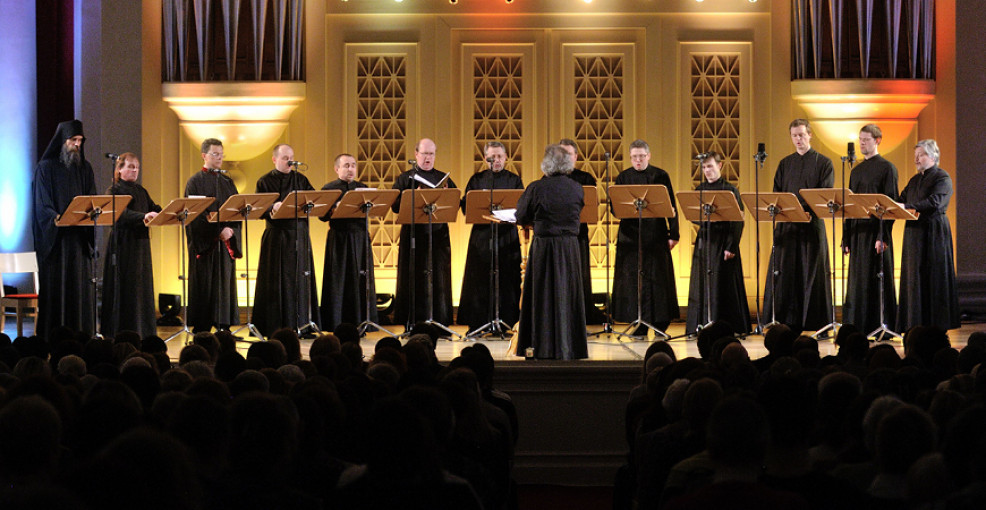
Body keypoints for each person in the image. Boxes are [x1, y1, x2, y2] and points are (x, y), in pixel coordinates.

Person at [514, 144, 588, 360]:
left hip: (545, 247)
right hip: (569, 248)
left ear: (546, 165)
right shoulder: (577, 188)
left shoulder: (536, 188)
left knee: (542, 295)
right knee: (568, 295)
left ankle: (542, 346)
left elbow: (521, 215)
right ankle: (570, 347)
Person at [762, 119, 833, 333]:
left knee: (811, 273)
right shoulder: (785, 163)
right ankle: (785, 321)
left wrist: (802, 209)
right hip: (788, 228)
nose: (798, 139)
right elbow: (777, 193)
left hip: (811, 227)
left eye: (802, 135)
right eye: (794, 135)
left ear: (810, 135)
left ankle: (815, 323)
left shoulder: (824, 163)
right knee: (785, 275)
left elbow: (824, 194)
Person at [31, 119, 97, 340]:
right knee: (57, 290)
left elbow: (92, 200)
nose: (77, 145)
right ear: (62, 141)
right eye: (73, 140)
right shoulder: (45, 168)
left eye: (79, 141)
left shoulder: (85, 168)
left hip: (78, 242)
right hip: (57, 243)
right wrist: (55, 218)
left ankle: (81, 336)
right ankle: (54, 337)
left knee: (79, 290)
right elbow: (42, 204)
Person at [610, 139, 681, 335]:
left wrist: (673, 233)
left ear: (648, 156)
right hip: (631, 237)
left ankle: (660, 324)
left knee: (657, 280)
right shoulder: (623, 177)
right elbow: (615, 207)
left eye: (641, 156)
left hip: (655, 235)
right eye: (634, 157)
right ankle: (639, 324)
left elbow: (671, 206)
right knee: (634, 281)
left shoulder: (660, 175)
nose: (638, 160)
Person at [456, 141, 524, 335]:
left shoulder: (514, 180)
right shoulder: (477, 180)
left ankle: (508, 322)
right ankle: (479, 323)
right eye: (493, 157)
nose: (497, 160)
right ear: (486, 159)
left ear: (506, 158)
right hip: (482, 237)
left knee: (508, 278)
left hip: (506, 237)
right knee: (480, 280)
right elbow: (466, 207)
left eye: (500, 156)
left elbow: (522, 206)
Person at [251, 144, 319, 337]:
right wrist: (274, 206)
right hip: (277, 237)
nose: (289, 161)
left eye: (291, 157)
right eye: (284, 157)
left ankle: (302, 325)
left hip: (299, 234)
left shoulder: (300, 178)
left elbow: (314, 200)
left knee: (300, 278)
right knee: (277, 281)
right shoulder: (264, 181)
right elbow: (258, 208)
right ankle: (275, 327)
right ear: (274, 159)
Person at [391, 138, 457, 328]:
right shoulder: (405, 178)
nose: (428, 157)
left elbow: (455, 203)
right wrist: (413, 196)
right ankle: (412, 321)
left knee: (438, 276)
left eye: (431, 153)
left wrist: (445, 195)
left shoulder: (443, 178)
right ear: (416, 154)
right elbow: (395, 206)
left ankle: (440, 320)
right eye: (425, 153)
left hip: (438, 235)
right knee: (414, 276)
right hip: (413, 234)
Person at [896, 139, 960, 331]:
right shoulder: (914, 180)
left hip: (934, 232)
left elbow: (935, 202)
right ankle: (915, 323)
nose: (916, 159)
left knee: (933, 276)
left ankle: (935, 325)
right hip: (913, 234)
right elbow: (900, 200)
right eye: (915, 155)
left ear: (932, 156)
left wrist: (907, 206)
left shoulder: (942, 177)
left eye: (921, 155)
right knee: (914, 277)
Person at [842, 124, 900, 333]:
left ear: (877, 140)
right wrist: (846, 238)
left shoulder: (887, 168)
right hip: (858, 233)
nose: (862, 143)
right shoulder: (856, 170)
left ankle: (880, 326)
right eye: (860, 139)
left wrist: (882, 236)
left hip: (877, 234)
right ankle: (858, 327)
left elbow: (891, 205)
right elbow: (849, 206)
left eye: (866, 139)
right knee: (858, 282)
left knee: (877, 279)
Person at [685, 151, 749, 335]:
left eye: (710, 166)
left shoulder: (730, 190)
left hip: (724, 242)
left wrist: (731, 245)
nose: (707, 170)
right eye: (704, 167)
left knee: (723, 284)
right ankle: (701, 324)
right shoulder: (700, 190)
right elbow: (693, 217)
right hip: (705, 241)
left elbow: (738, 220)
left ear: (720, 166)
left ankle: (725, 327)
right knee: (702, 283)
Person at [100, 153, 162, 339]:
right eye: (130, 167)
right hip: (123, 244)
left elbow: (153, 207)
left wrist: (166, 213)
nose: (135, 170)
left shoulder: (141, 190)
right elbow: (120, 214)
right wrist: (142, 217)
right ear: (119, 169)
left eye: (137, 167)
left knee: (141, 287)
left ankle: (142, 331)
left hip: (141, 245)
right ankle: (121, 331)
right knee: (125, 288)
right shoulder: (113, 190)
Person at [184, 138, 241, 333]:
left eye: (221, 154)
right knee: (205, 286)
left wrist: (231, 230)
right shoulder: (195, 182)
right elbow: (194, 215)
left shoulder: (226, 181)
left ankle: (224, 326)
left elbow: (236, 208)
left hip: (225, 244)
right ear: (204, 155)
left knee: (224, 285)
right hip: (205, 246)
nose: (219, 158)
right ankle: (202, 329)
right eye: (215, 154)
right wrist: (217, 233)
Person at [320, 153, 379, 330]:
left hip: (360, 236)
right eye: (346, 165)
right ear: (337, 169)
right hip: (339, 237)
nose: (351, 169)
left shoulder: (362, 188)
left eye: (353, 165)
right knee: (337, 280)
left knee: (360, 278)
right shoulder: (329, 188)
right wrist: (333, 208)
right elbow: (321, 216)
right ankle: (335, 322)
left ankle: (362, 321)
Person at [558, 139, 607, 325]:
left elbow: (591, 208)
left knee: (579, 276)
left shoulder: (585, 178)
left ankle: (580, 315)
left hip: (578, 236)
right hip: (557, 237)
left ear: (576, 157)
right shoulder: (548, 178)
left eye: (569, 154)